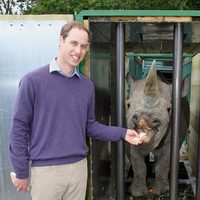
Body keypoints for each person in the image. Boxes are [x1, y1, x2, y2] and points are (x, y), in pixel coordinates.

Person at [9, 21, 145, 200]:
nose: (78, 51)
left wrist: (123, 133)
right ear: (61, 40)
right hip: (46, 172)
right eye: (73, 43)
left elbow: (90, 126)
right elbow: (19, 128)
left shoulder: (86, 85)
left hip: (79, 170)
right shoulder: (33, 81)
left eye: (83, 46)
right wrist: (21, 171)